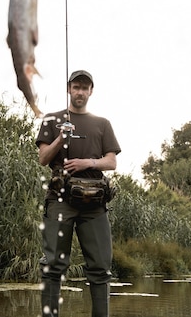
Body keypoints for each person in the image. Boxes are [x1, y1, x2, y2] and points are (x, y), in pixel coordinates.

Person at [36, 70, 121, 317]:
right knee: (52, 266)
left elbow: (111, 162)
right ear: (69, 89)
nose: (80, 92)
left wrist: (88, 163)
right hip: (60, 201)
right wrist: (61, 137)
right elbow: (42, 158)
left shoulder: (102, 124)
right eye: (76, 87)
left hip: (95, 205)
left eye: (85, 88)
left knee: (100, 268)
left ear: (91, 91)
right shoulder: (52, 120)